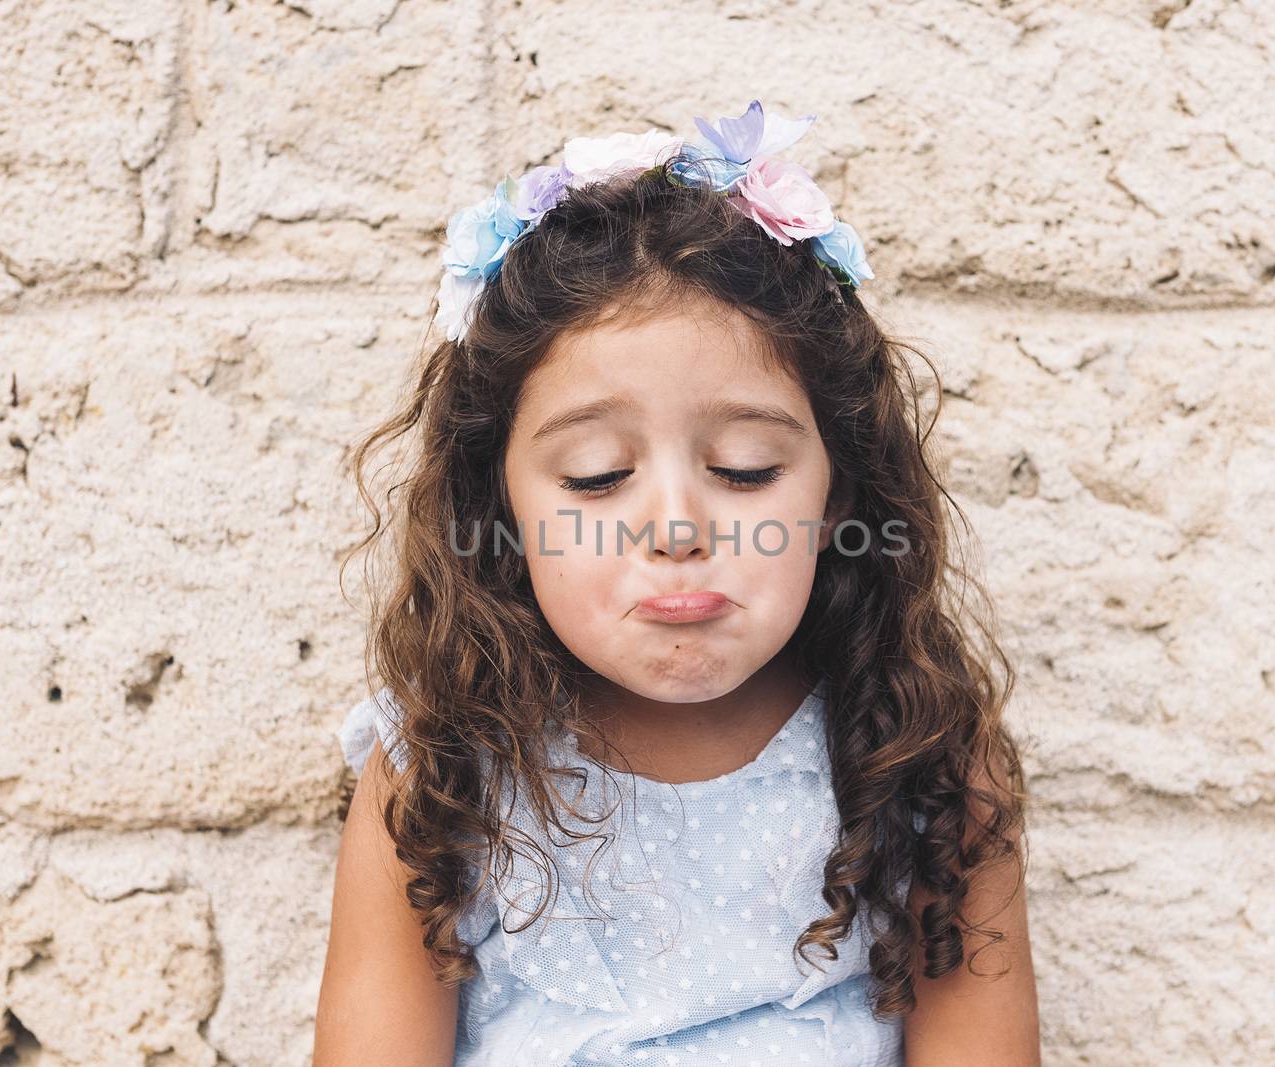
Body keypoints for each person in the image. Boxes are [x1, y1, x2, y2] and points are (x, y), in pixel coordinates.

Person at [314, 99, 1040, 1067]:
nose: (676, 529)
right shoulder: (441, 768)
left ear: (839, 492)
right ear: (503, 509)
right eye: (595, 477)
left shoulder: (920, 763)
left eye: (743, 469)